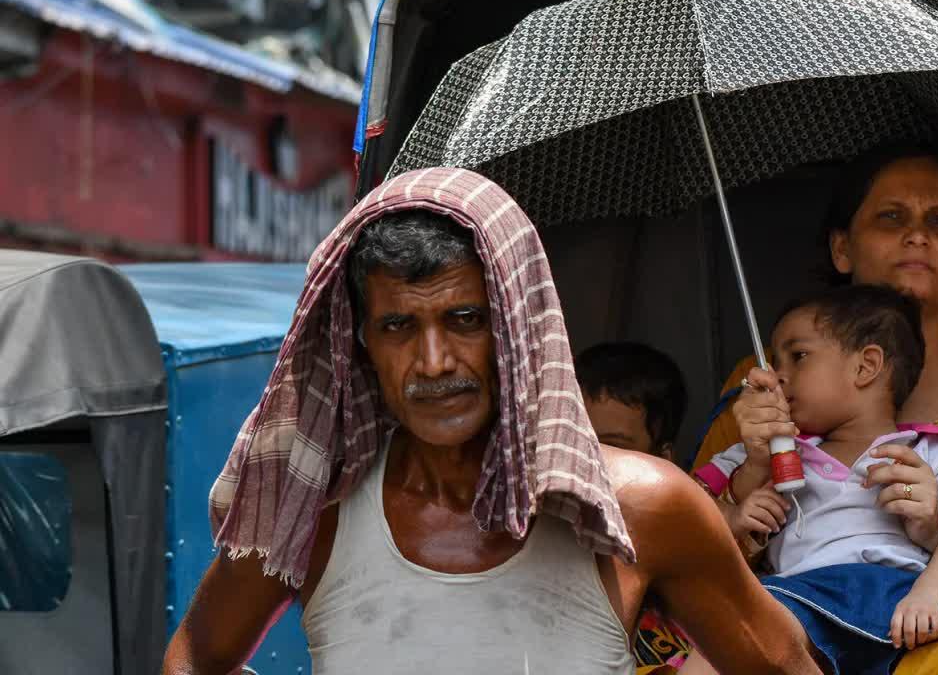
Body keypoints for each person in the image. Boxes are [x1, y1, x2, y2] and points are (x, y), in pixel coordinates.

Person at [161, 168, 820, 675]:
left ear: (517, 328)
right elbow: (196, 653)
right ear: (361, 343)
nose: (434, 361)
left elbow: (786, 666)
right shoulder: (321, 508)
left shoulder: (644, 509)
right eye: (398, 327)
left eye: (465, 320)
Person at [690, 145, 938, 674]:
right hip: (793, 628)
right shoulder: (765, 383)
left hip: (935, 631)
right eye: (891, 217)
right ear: (842, 248)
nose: (917, 236)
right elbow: (690, 531)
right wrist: (746, 498)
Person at [576, 341, 696, 672]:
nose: (589, 461)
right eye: (575, 440)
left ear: (662, 460)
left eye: (612, 447)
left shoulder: (689, 553)